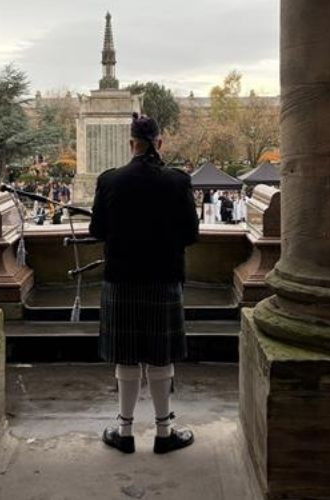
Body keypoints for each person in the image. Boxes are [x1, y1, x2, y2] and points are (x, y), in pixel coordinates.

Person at [89, 112, 199, 455]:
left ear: (131, 144)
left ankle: (124, 431)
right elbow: (191, 234)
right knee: (159, 356)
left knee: (126, 356)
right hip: (163, 279)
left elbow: (97, 231)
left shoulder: (109, 181)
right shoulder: (178, 181)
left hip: (121, 280)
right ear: (159, 143)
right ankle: (164, 433)